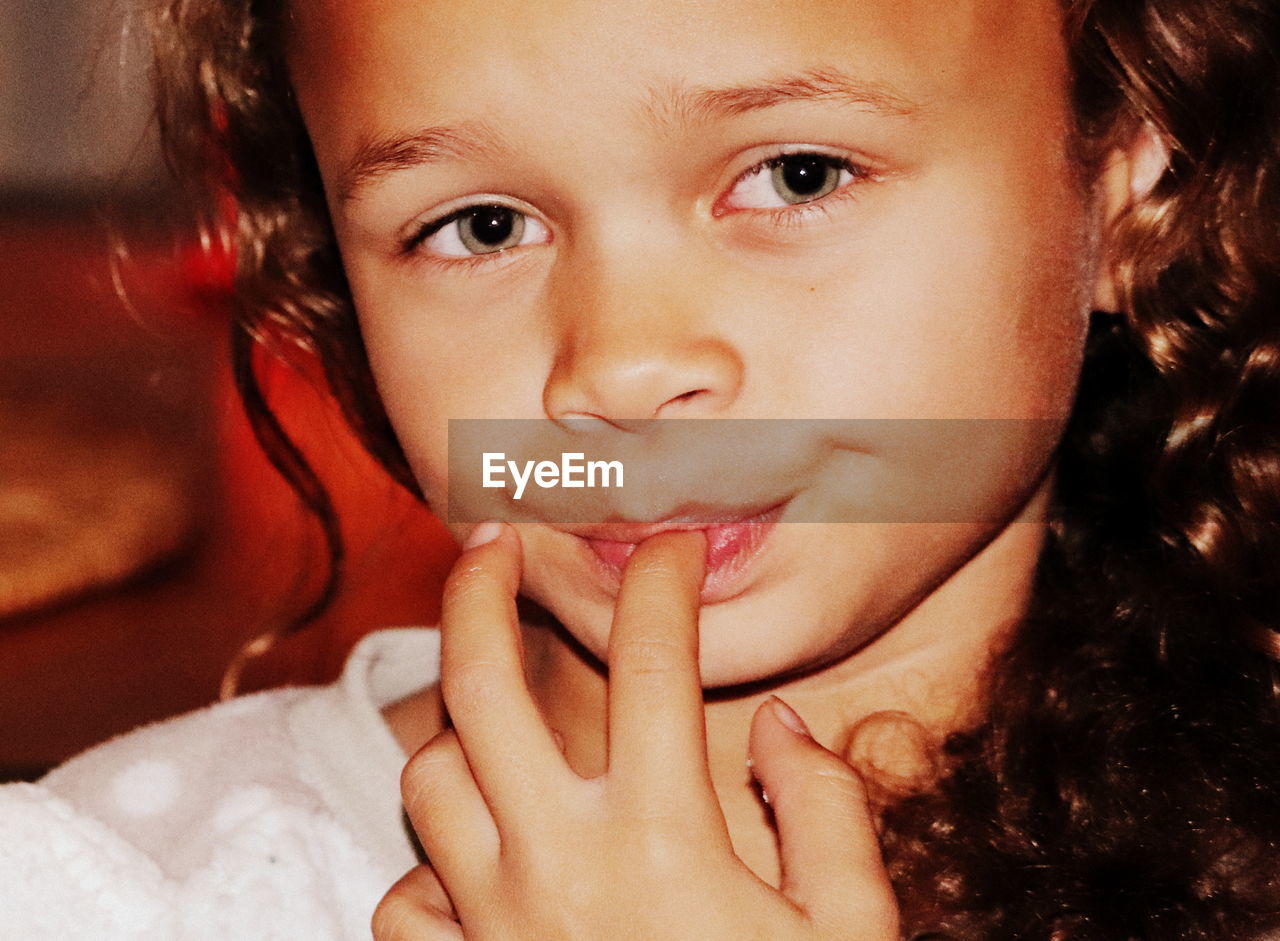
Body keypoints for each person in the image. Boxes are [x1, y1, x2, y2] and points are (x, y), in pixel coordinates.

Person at [29, 0, 1280, 937]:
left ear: (1124, 189)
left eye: (796, 175)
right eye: (480, 225)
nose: (618, 367)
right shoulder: (117, 886)